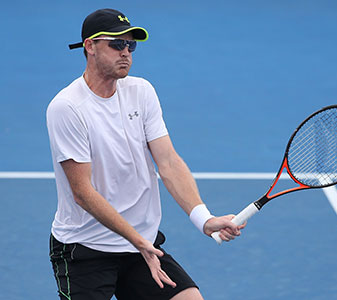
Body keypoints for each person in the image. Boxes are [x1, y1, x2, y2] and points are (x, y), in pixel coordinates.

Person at [47, 8, 245, 300]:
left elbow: (168, 162)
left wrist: (203, 218)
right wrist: (139, 241)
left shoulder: (142, 91)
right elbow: (82, 193)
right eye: (116, 44)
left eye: (131, 45)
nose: (126, 52)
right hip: (85, 249)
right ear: (89, 46)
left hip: (141, 246)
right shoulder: (67, 107)